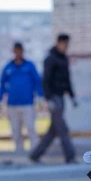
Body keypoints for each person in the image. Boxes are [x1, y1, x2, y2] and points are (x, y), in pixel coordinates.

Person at [30, 33, 77, 163]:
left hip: (61, 98)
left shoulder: (64, 59)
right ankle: (70, 156)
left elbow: (67, 80)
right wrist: (48, 99)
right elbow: (45, 81)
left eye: (67, 45)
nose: (66, 47)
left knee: (53, 130)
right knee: (62, 128)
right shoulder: (50, 59)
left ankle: (35, 155)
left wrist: (72, 97)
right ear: (58, 43)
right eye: (64, 44)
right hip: (54, 98)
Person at [0, 42, 43, 154]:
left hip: (27, 103)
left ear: (22, 51)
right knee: (16, 130)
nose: (18, 53)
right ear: (13, 51)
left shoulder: (29, 66)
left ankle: (35, 152)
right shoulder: (8, 67)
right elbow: (2, 84)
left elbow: (37, 82)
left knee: (31, 128)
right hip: (12, 104)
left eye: (20, 50)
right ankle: (19, 151)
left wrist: (40, 97)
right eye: (16, 50)